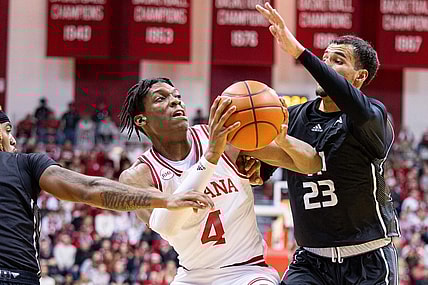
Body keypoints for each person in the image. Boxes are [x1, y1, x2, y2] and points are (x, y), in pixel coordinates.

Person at [118, 77, 321, 285]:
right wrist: (211, 157)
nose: (175, 101)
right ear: (141, 120)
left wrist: (283, 140)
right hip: (192, 275)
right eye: (161, 98)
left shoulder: (228, 137)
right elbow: (167, 226)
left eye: (177, 96)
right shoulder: (137, 177)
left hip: (248, 271)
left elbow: (311, 164)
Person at [256, 3, 400, 284]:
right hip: (311, 260)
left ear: (360, 77)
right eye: (325, 59)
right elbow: (261, 171)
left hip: (367, 259)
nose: (325, 66)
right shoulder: (293, 117)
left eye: (338, 60)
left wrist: (299, 52)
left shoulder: (372, 117)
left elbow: (353, 105)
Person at [0, 108, 213, 285]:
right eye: (8, 130)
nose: (13, 140)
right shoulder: (23, 164)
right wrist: (166, 200)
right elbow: (89, 188)